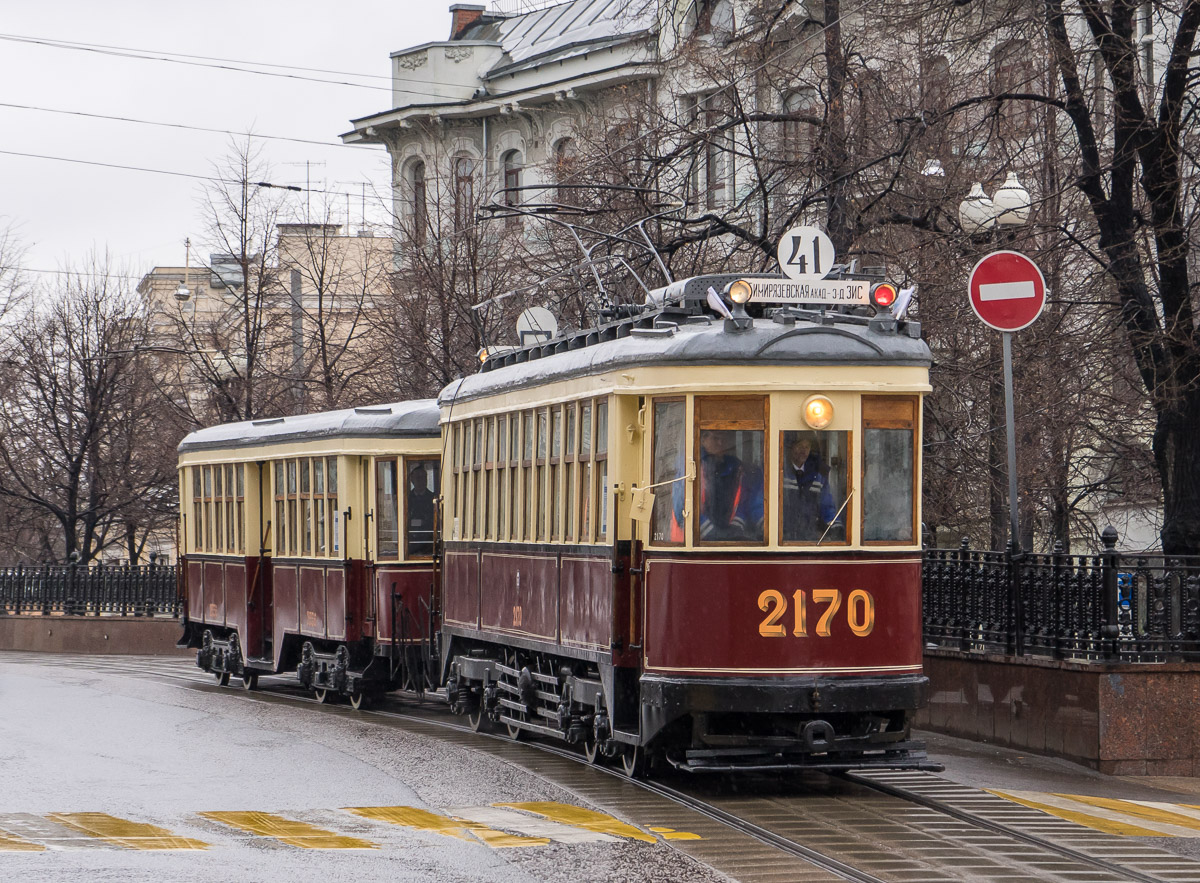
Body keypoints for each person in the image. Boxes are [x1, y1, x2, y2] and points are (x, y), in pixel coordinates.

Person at [698, 430, 763, 541]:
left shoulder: (736, 467)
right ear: (703, 440)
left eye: (723, 439)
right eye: (715, 438)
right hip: (692, 544)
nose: (720, 443)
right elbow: (683, 504)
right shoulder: (690, 462)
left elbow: (745, 499)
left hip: (729, 536)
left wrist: (735, 528)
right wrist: (709, 531)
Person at [782, 433, 839, 542]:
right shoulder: (779, 472)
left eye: (807, 447)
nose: (804, 451)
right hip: (782, 536)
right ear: (790, 448)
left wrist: (836, 527)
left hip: (810, 537)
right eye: (799, 446)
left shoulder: (818, 476)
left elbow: (826, 506)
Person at [406, 465, 435, 556]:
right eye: (418, 477)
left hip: (428, 541)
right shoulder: (407, 498)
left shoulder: (432, 498)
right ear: (412, 480)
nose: (421, 480)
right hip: (411, 541)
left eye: (424, 477)